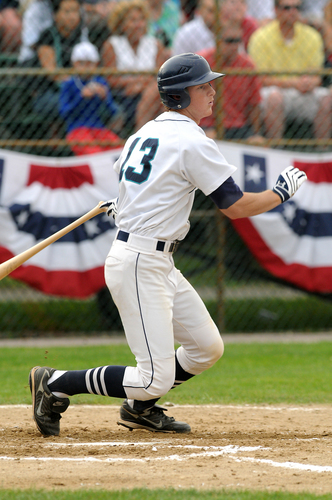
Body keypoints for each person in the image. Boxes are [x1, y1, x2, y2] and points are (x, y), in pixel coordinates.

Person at [29, 52, 307, 437]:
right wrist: (279, 193)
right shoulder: (192, 141)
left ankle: (140, 411)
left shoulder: (144, 132)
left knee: (207, 347)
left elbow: (139, 187)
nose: (212, 91)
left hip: (154, 260)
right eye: (203, 86)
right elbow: (236, 206)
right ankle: (57, 382)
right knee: (152, 378)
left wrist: (123, 208)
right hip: (140, 261)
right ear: (180, 94)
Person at [248, 0, 332, 139]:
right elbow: (261, 79)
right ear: (276, 10)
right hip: (276, 91)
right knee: (274, 98)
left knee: (326, 99)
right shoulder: (261, 37)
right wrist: (294, 83)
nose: (292, 12)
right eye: (287, 8)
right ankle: (275, 149)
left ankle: (322, 153)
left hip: (304, 93)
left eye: (296, 8)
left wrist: (310, 82)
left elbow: (317, 76)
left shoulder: (312, 36)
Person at [101, 0, 169, 136]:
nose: (138, 25)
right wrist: (138, 82)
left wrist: (139, 85)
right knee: (159, 95)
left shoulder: (156, 44)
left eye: (141, 20)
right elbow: (111, 80)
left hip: (149, 93)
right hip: (123, 95)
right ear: (122, 24)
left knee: (157, 90)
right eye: (132, 20)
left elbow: (161, 77)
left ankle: (139, 133)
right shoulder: (112, 45)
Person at [198, 22, 263, 142]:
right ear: (218, 40)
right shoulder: (201, 63)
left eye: (237, 41)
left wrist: (255, 133)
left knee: (258, 143)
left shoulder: (247, 66)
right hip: (206, 124)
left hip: (238, 126)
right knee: (208, 139)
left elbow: (254, 105)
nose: (234, 46)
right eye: (229, 41)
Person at [59, 41, 123, 155]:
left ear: (96, 64)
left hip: (99, 129)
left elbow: (113, 111)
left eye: (90, 63)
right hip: (77, 130)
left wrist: (105, 97)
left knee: (121, 152)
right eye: (81, 63)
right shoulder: (69, 83)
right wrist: (81, 97)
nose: (86, 67)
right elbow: (64, 112)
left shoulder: (100, 82)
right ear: (74, 63)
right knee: (94, 154)